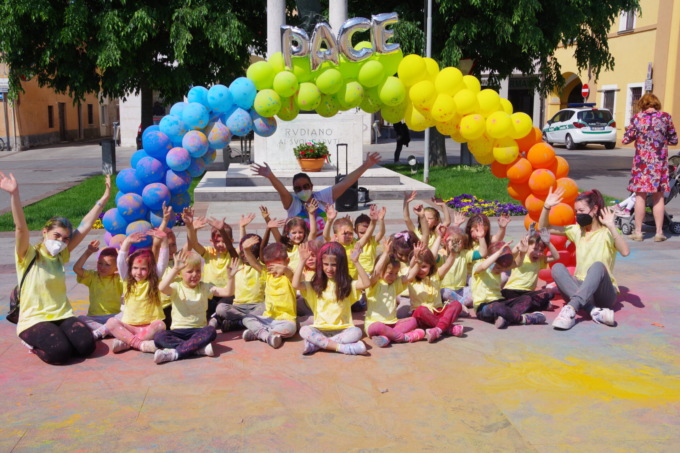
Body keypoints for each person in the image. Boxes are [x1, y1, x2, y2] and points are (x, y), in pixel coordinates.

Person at [0, 172, 110, 364]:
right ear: (45, 232)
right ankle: (30, 343)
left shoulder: (61, 255)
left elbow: (84, 225)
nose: (61, 241)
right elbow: (21, 228)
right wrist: (14, 194)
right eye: (56, 236)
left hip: (62, 315)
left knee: (86, 347)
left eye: (65, 238)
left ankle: (58, 334)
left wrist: (104, 198)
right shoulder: (28, 254)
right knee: (60, 353)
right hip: (34, 319)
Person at [539, 187, 630, 330]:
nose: (578, 215)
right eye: (576, 211)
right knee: (557, 268)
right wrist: (546, 207)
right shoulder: (576, 231)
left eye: (581, 211)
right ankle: (593, 311)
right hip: (579, 287)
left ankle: (571, 309)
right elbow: (544, 227)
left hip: (603, 294)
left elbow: (625, 251)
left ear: (594, 209)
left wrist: (612, 226)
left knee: (598, 266)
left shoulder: (607, 232)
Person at [251, 152, 382, 233]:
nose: (303, 190)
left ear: (311, 186)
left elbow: (345, 183)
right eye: (298, 188)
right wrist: (271, 176)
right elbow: (282, 190)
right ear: (294, 191)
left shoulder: (322, 197)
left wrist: (365, 165)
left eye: (305, 186)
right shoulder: (292, 203)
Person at [292, 242, 370, 356]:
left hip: (343, 329)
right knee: (304, 330)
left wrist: (356, 262)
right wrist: (302, 261)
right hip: (320, 329)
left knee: (356, 332)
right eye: (325, 264)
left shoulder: (347, 285)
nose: (329, 269)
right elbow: (295, 284)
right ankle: (343, 348)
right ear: (320, 264)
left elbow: (366, 283)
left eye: (334, 265)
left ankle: (317, 344)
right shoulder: (315, 286)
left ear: (341, 265)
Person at [153, 250, 230, 364]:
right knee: (159, 336)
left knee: (210, 331)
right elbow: (162, 287)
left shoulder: (204, 287)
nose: (194, 274)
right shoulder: (176, 287)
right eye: (189, 271)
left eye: (198, 270)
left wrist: (231, 278)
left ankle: (175, 353)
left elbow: (228, 292)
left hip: (198, 331)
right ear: (179, 274)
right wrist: (175, 269)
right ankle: (197, 349)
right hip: (178, 331)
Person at [621, 92, 678, 242]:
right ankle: (659, 233)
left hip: (642, 164)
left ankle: (638, 232)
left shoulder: (637, 118)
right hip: (659, 163)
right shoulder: (665, 117)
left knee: (640, 196)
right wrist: (660, 140)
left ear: (642, 105)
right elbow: (674, 140)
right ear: (656, 104)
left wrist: (637, 137)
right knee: (658, 197)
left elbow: (625, 140)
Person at [105, 232, 168, 353]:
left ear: (151, 269)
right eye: (135, 268)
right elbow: (120, 261)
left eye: (143, 269)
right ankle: (140, 344)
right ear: (130, 268)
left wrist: (164, 241)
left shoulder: (154, 280)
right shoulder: (127, 279)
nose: (138, 273)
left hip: (148, 327)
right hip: (129, 327)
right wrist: (127, 242)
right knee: (111, 322)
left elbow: (163, 261)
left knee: (161, 325)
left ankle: (127, 342)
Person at [471, 239, 548, 329]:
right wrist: (498, 253)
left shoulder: (500, 268)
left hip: (500, 301)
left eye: (501, 267)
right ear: (489, 258)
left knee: (526, 299)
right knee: (496, 307)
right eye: (497, 266)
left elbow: (517, 263)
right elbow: (483, 266)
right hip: (483, 307)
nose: (499, 269)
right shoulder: (478, 267)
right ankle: (523, 319)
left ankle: (505, 318)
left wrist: (522, 253)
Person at [365, 237, 425, 347]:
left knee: (413, 321)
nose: (393, 277)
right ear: (382, 270)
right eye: (390, 273)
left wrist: (418, 260)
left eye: (396, 273)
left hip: (392, 323)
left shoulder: (394, 284)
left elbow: (410, 276)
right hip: (373, 324)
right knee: (378, 326)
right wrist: (385, 253)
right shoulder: (373, 284)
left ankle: (386, 337)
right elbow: (376, 272)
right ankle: (405, 337)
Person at [240, 243, 298, 349]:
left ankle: (259, 333)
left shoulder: (290, 277)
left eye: (278, 265)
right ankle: (267, 336)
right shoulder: (267, 275)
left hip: (286, 320)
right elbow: (254, 263)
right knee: (246, 318)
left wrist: (284, 269)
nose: (275, 270)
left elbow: (290, 273)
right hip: (268, 319)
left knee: (290, 330)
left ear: (287, 261)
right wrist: (246, 250)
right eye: (271, 267)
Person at [210, 234, 265, 332]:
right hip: (238, 307)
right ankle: (246, 321)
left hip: (257, 306)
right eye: (243, 252)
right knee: (221, 308)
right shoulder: (237, 264)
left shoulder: (260, 267)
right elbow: (230, 248)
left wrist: (268, 229)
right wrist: (222, 230)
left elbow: (262, 248)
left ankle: (236, 323)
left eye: (250, 253)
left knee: (267, 308)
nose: (245, 255)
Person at [73, 241, 123, 340]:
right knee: (80, 319)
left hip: (113, 317)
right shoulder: (93, 276)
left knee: (125, 315)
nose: (102, 267)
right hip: (95, 317)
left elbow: (128, 272)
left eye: (107, 265)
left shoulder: (119, 278)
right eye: (100, 263)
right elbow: (76, 268)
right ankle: (109, 331)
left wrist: (123, 255)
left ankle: (101, 331)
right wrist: (88, 252)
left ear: (116, 267)